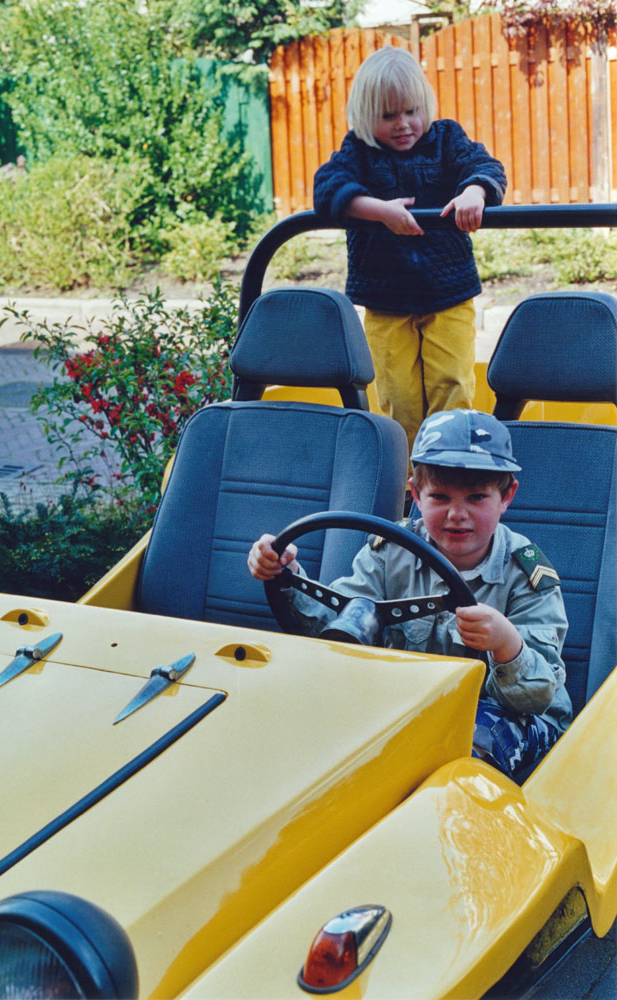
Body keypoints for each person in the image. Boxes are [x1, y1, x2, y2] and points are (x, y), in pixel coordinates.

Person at [247, 409, 571, 781]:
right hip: (412, 701)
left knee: (457, 746)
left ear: (506, 497)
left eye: (477, 497)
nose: (457, 514)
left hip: (514, 717)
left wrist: (507, 645)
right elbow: (339, 628)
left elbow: (539, 696)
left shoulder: (526, 575)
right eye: (440, 496)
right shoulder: (388, 552)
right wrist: (285, 574)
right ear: (416, 494)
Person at [313, 46, 507, 456]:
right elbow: (326, 187)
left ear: (425, 106)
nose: (404, 125)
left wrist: (475, 190)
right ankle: (405, 484)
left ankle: (450, 470)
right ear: (367, 116)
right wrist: (378, 211)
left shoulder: (446, 139)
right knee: (397, 395)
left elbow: (486, 165)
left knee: (451, 386)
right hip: (386, 301)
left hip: (448, 293)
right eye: (388, 116)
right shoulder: (359, 153)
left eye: (411, 111)